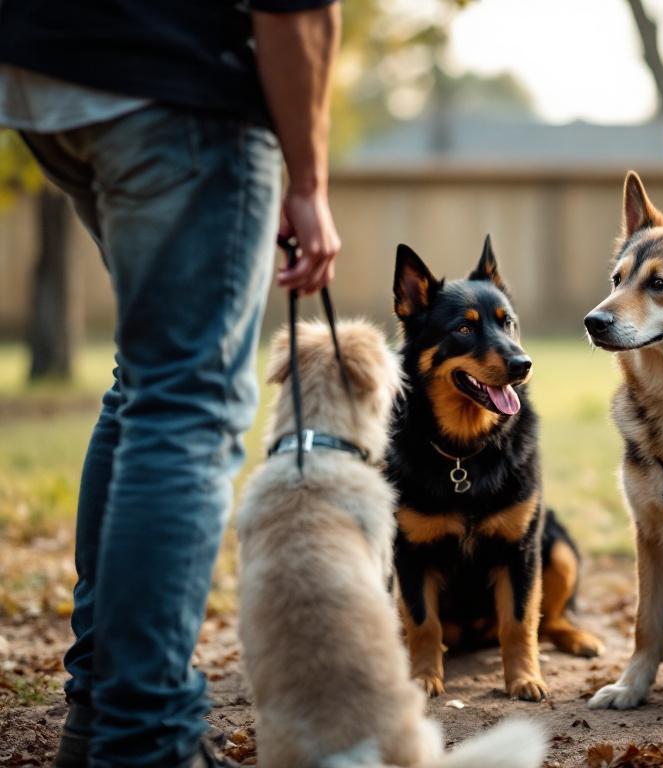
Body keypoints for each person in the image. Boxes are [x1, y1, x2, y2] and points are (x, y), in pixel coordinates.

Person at [0, 0, 343, 764]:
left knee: (147, 386)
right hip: (175, 87)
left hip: (44, 75)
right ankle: (144, 736)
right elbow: (297, 10)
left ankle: (99, 713)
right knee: (187, 405)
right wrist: (309, 181)